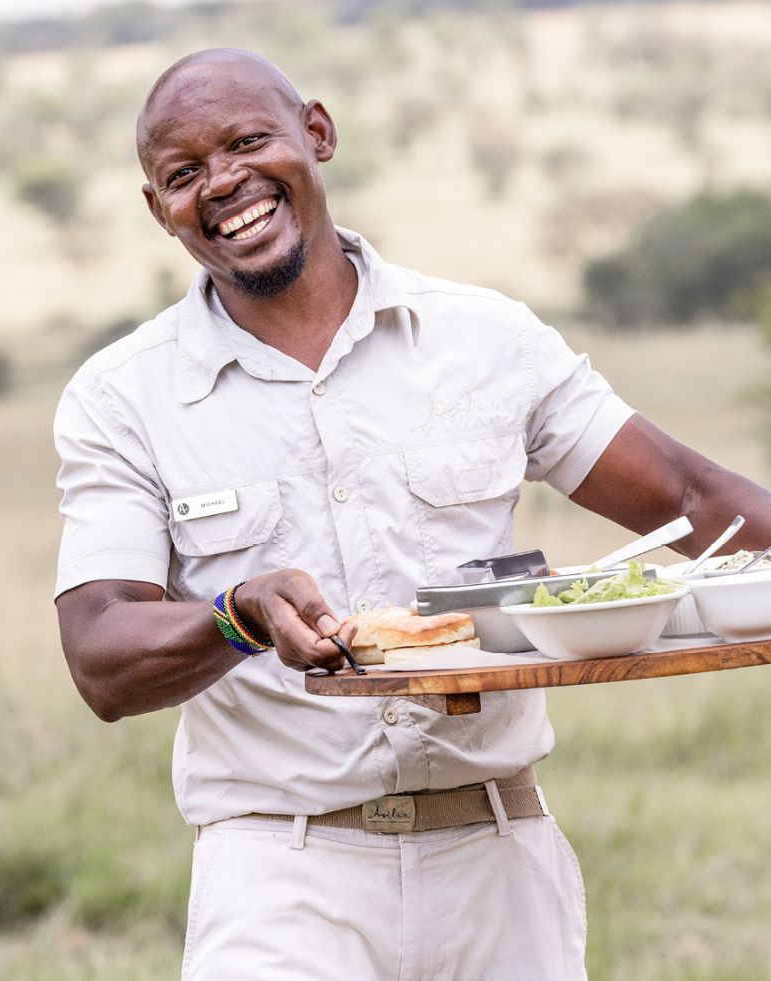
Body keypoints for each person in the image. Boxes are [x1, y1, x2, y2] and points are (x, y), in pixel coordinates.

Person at [53, 48, 771, 981]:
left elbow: (687, 498)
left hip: (500, 852)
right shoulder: (122, 396)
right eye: (183, 174)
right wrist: (240, 612)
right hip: (280, 872)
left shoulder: (486, 339)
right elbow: (101, 652)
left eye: (246, 141)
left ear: (316, 132)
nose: (224, 183)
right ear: (160, 210)